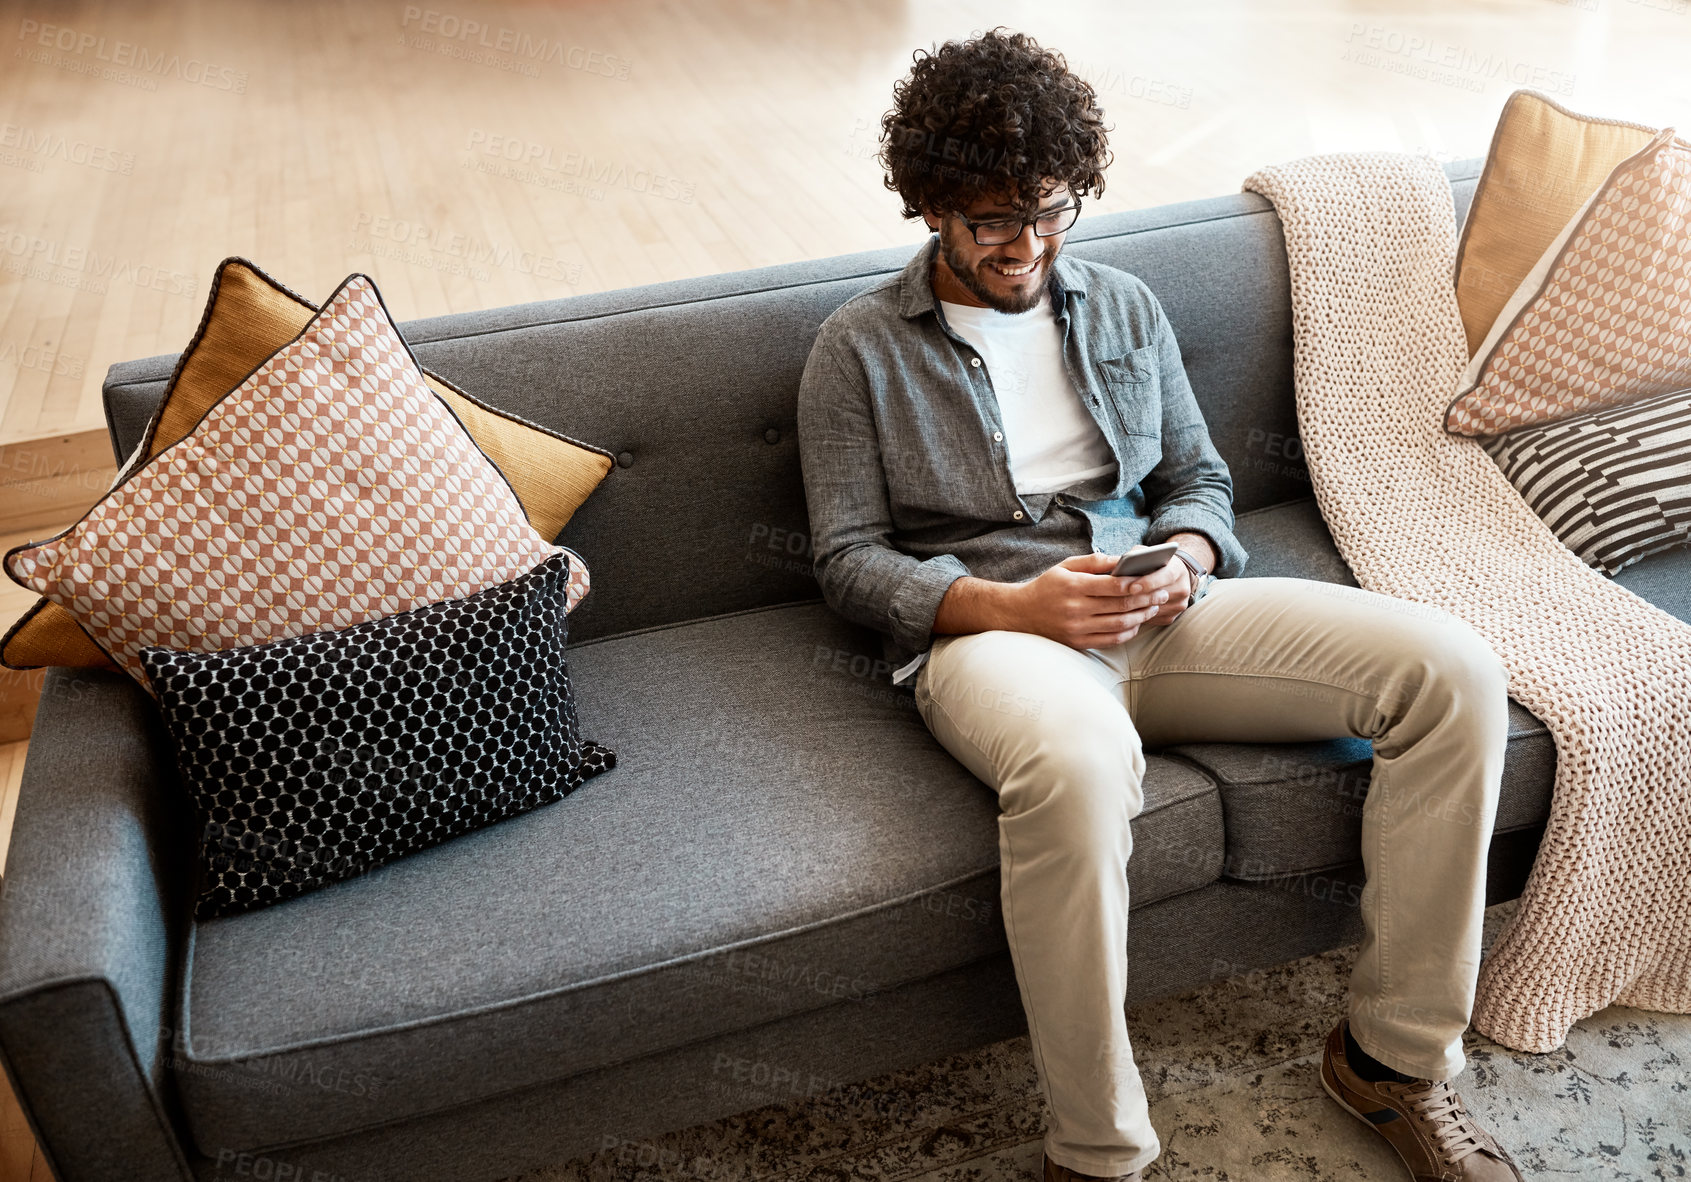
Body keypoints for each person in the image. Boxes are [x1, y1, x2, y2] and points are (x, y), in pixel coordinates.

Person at [795, 27, 1524, 1182]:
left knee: (1451, 673)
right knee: (1079, 767)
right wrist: (1013, 606)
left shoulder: (1124, 304)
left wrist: (1187, 552)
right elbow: (844, 560)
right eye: (991, 221)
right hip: (996, 635)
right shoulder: (857, 349)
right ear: (928, 204)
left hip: (1157, 607)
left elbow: (1199, 480)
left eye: (1048, 211)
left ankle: (1391, 1062)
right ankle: (1097, 1153)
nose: (1026, 246)